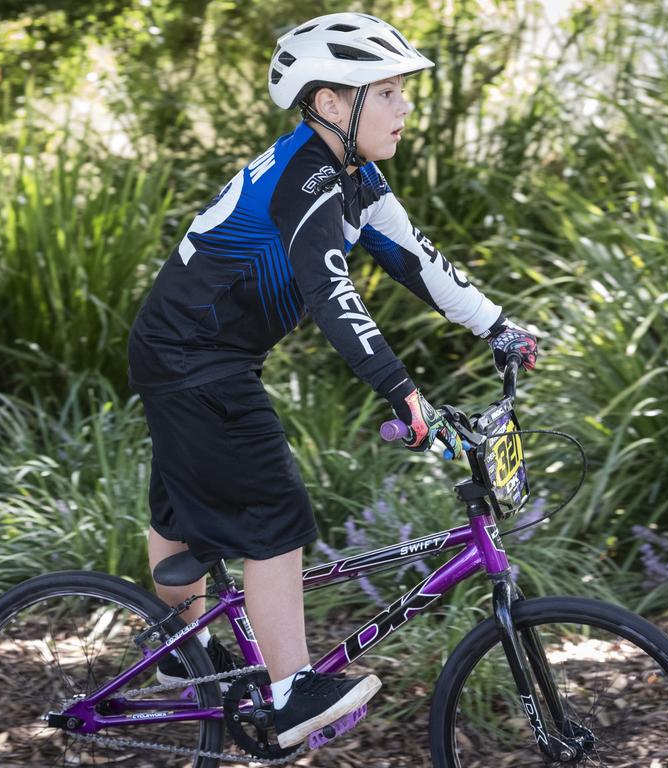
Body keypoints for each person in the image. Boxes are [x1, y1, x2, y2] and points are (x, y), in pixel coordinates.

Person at [127, 12, 538, 749]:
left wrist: (497, 325)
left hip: (189, 354)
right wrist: (402, 390)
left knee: (184, 513)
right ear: (329, 104)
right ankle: (288, 691)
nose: (404, 107)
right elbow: (331, 294)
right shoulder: (306, 180)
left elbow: (419, 261)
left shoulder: (355, 179)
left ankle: (183, 652)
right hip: (194, 359)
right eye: (385, 92)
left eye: (400, 92)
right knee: (272, 507)